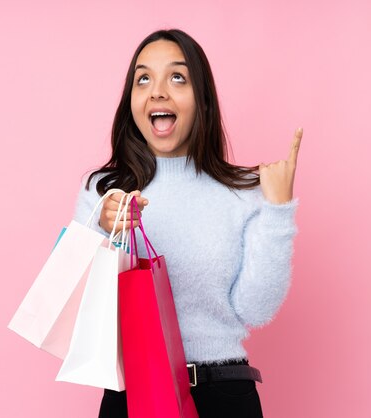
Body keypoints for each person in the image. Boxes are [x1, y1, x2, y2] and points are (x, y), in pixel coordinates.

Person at [73, 28, 302, 418]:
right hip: (134, 394)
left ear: (203, 100)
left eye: (177, 77)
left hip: (225, 396)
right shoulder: (103, 191)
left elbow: (254, 309)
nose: (158, 91)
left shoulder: (244, 191)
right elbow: (84, 309)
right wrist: (104, 229)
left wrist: (278, 209)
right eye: (143, 78)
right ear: (132, 100)